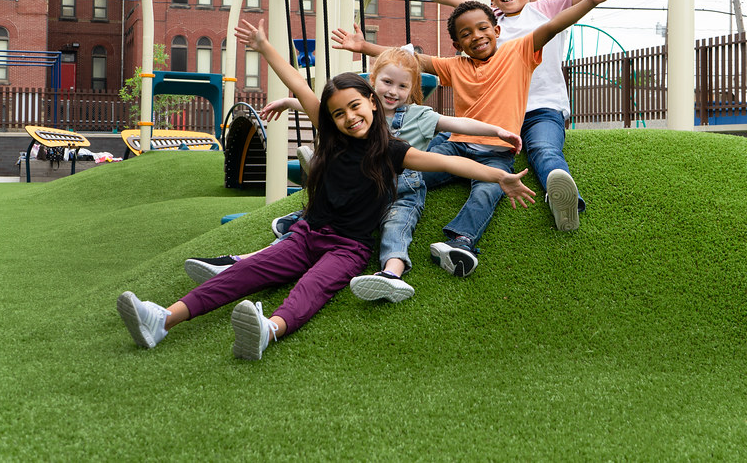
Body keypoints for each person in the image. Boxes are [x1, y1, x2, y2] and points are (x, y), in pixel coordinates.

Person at [116, 19, 535, 360]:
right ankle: (162, 319)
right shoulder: (333, 137)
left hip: (347, 249)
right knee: (244, 273)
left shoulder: (393, 151)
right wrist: (264, 47)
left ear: (372, 102)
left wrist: (498, 176)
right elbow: (298, 84)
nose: (349, 117)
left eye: (355, 106)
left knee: (311, 289)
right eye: (338, 113)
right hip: (306, 235)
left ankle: (268, 330)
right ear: (330, 119)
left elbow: (447, 162)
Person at [332, 0, 621, 277]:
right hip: (454, 146)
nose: (477, 36)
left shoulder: (518, 52)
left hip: (495, 153)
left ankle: (461, 242)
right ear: (457, 43)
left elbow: (552, 26)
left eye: (483, 28)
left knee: (488, 191)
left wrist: (590, 1)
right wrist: (364, 47)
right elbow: (409, 59)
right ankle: (345, 203)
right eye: (466, 34)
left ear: (497, 30)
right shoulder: (454, 66)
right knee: (406, 175)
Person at [184, 46, 524, 303]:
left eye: (402, 86)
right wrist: (288, 103)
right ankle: (243, 260)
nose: (393, 91)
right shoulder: (357, 113)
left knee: (396, 228)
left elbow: (458, 127)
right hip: (363, 187)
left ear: (411, 90)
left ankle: (391, 276)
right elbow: (318, 104)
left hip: (403, 188)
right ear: (371, 86)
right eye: (386, 82)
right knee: (320, 220)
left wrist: (496, 131)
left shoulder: (420, 116)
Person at [378, 0, 666, 231]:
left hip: (541, 108)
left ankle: (563, 197)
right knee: (444, 141)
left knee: (544, 149)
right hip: (498, 117)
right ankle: (385, 184)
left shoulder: (545, 9)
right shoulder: (489, 20)